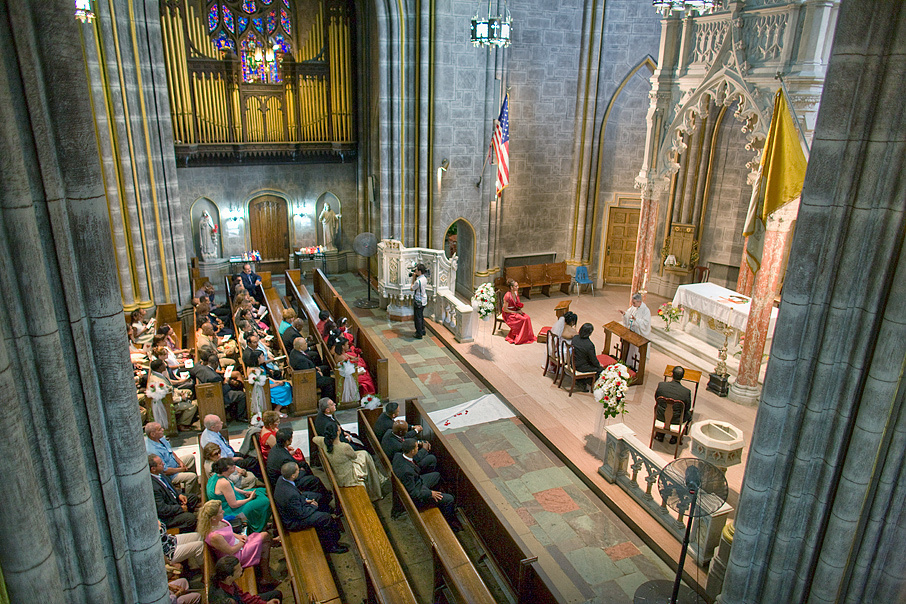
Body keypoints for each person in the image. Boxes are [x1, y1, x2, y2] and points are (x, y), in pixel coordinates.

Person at [197, 500, 278, 588]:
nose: (223, 512)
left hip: (238, 544)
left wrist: (238, 537)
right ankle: (266, 575)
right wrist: (242, 542)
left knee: (264, 540)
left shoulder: (219, 521)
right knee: (264, 537)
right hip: (235, 556)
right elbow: (230, 551)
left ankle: (265, 575)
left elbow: (229, 532)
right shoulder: (214, 536)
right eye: (220, 512)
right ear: (213, 517)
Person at [274, 462, 347, 554]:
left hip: (295, 508)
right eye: (297, 470)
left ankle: (326, 527)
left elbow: (295, 500)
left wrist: (305, 500)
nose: (299, 471)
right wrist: (312, 506)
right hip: (293, 521)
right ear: (293, 475)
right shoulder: (290, 494)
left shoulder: (282, 479)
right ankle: (332, 546)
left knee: (318, 496)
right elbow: (301, 513)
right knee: (326, 518)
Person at [393, 438, 461, 531]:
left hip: (418, 482)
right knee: (449, 499)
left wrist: (423, 450)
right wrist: (430, 493)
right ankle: (451, 524)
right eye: (417, 447)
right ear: (412, 451)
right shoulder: (407, 472)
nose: (418, 448)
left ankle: (439, 499)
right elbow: (413, 493)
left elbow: (413, 461)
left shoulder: (398, 456)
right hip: (418, 493)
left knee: (436, 475)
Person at [313, 423, 384, 501]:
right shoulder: (344, 447)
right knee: (366, 456)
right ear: (337, 432)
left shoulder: (324, 442)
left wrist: (325, 439)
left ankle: (376, 480)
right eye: (339, 428)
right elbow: (354, 456)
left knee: (364, 454)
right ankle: (375, 489)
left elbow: (314, 438)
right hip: (348, 477)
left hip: (337, 471)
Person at [265, 428, 332, 508]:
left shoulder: (277, 448)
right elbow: (290, 471)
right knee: (314, 481)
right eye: (291, 438)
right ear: (287, 441)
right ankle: (325, 501)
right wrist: (300, 471)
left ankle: (322, 493)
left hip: (283, 474)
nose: (292, 439)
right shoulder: (284, 457)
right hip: (284, 481)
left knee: (304, 464)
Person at [207, 457, 271, 533]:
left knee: (261, 491)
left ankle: (260, 518)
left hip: (233, 498)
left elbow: (232, 487)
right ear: (226, 470)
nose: (235, 467)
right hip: (230, 510)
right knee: (265, 501)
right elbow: (233, 504)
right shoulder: (223, 483)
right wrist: (249, 499)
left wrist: (244, 492)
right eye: (232, 467)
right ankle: (259, 526)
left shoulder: (217, 476)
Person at [190, 354, 248, 423]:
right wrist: (226, 382)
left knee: (235, 385)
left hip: (205, 394)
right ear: (216, 363)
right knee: (241, 395)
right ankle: (240, 416)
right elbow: (222, 391)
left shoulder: (198, 367)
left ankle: (232, 412)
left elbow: (192, 371)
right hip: (217, 396)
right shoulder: (215, 378)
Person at [145, 422, 198, 494]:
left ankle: (194, 489)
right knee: (192, 477)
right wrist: (180, 469)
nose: (163, 430)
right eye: (160, 429)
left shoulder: (160, 438)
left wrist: (180, 462)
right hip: (170, 475)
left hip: (174, 464)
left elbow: (171, 451)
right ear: (153, 434)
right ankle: (189, 497)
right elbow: (164, 470)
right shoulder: (153, 450)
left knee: (190, 458)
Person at [150, 455, 199, 531]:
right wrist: (180, 509)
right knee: (191, 519)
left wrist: (179, 495)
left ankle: (185, 513)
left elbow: (170, 486)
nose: (163, 464)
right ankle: (186, 527)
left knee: (193, 498)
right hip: (167, 515)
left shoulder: (160, 473)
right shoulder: (154, 487)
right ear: (153, 469)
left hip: (173, 500)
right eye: (160, 463)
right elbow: (162, 509)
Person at [208, 555, 282, 604]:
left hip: (240, 601)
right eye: (238, 569)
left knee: (276, 594)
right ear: (229, 577)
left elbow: (243, 597)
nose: (241, 569)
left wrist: (265, 603)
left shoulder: (225, 580)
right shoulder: (224, 600)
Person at [654, 366, 694, 443]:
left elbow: (657, 399)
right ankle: (674, 437)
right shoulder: (686, 392)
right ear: (683, 377)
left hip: (660, 416)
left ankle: (660, 434)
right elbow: (687, 408)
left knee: (662, 407)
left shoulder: (662, 385)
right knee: (689, 414)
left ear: (671, 374)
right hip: (677, 420)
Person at [570, 323, 605, 392]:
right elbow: (593, 360)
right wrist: (599, 365)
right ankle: (585, 381)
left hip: (572, 362)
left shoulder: (575, 338)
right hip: (581, 367)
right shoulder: (589, 345)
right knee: (600, 370)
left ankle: (581, 380)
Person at [620, 292, 652, 364]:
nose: (632, 304)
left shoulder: (646, 311)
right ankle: (629, 364)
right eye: (632, 302)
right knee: (631, 351)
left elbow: (646, 324)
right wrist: (625, 314)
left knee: (637, 353)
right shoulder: (634, 307)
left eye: (634, 303)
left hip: (640, 334)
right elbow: (629, 315)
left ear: (639, 302)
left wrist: (636, 319)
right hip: (632, 332)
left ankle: (637, 367)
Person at [502, 278, 536, 344]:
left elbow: (517, 303)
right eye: (516, 286)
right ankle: (519, 337)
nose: (518, 287)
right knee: (523, 319)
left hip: (515, 310)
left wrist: (519, 309)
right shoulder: (508, 296)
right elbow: (505, 309)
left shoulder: (516, 292)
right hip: (508, 313)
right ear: (511, 287)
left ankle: (526, 337)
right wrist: (516, 312)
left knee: (527, 317)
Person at [410, 263, 428, 339]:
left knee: (417, 318)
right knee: (421, 316)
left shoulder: (418, 282)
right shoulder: (424, 278)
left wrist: (413, 278)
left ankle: (419, 333)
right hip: (424, 299)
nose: (415, 271)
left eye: (416, 270)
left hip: (418, 300)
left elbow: (412, 288)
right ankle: (423, 330)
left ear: (420, 271)